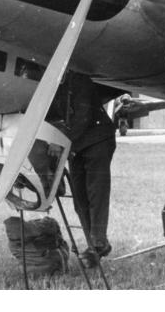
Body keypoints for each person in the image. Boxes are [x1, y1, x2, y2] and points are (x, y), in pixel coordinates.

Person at [47, 72, 116, 268]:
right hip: (76, 145)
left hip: (97, 141)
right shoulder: (53, 85)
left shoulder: (79, 80)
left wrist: (61, 141)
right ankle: (95, 245)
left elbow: (83, 118)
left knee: (96, 193)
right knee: (79, 199)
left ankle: (98, 241)